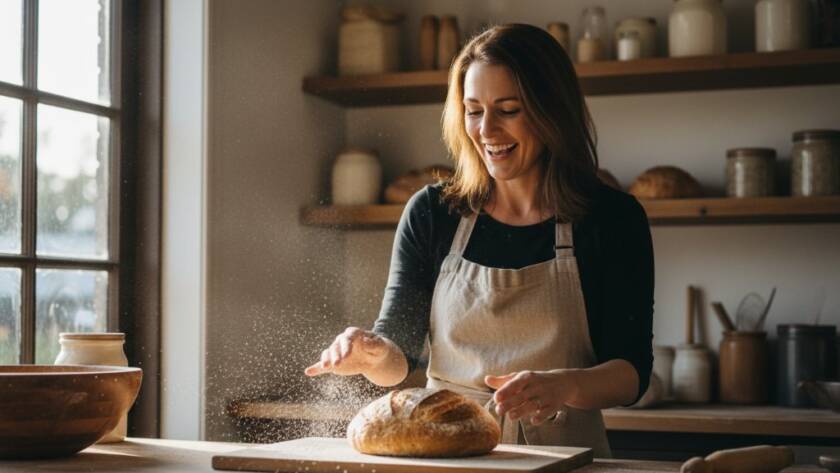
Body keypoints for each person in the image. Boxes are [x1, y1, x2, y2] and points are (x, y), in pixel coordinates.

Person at [305, 23, 654, 457]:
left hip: (564, 456)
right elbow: (400, 356)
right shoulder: (433, 213)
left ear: (551, 112)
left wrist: (564, 385)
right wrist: (372, 354)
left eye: (508, 110)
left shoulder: (611, 219)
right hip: (446, 449)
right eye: (473, 110)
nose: (486, 130)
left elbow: (631, 373)